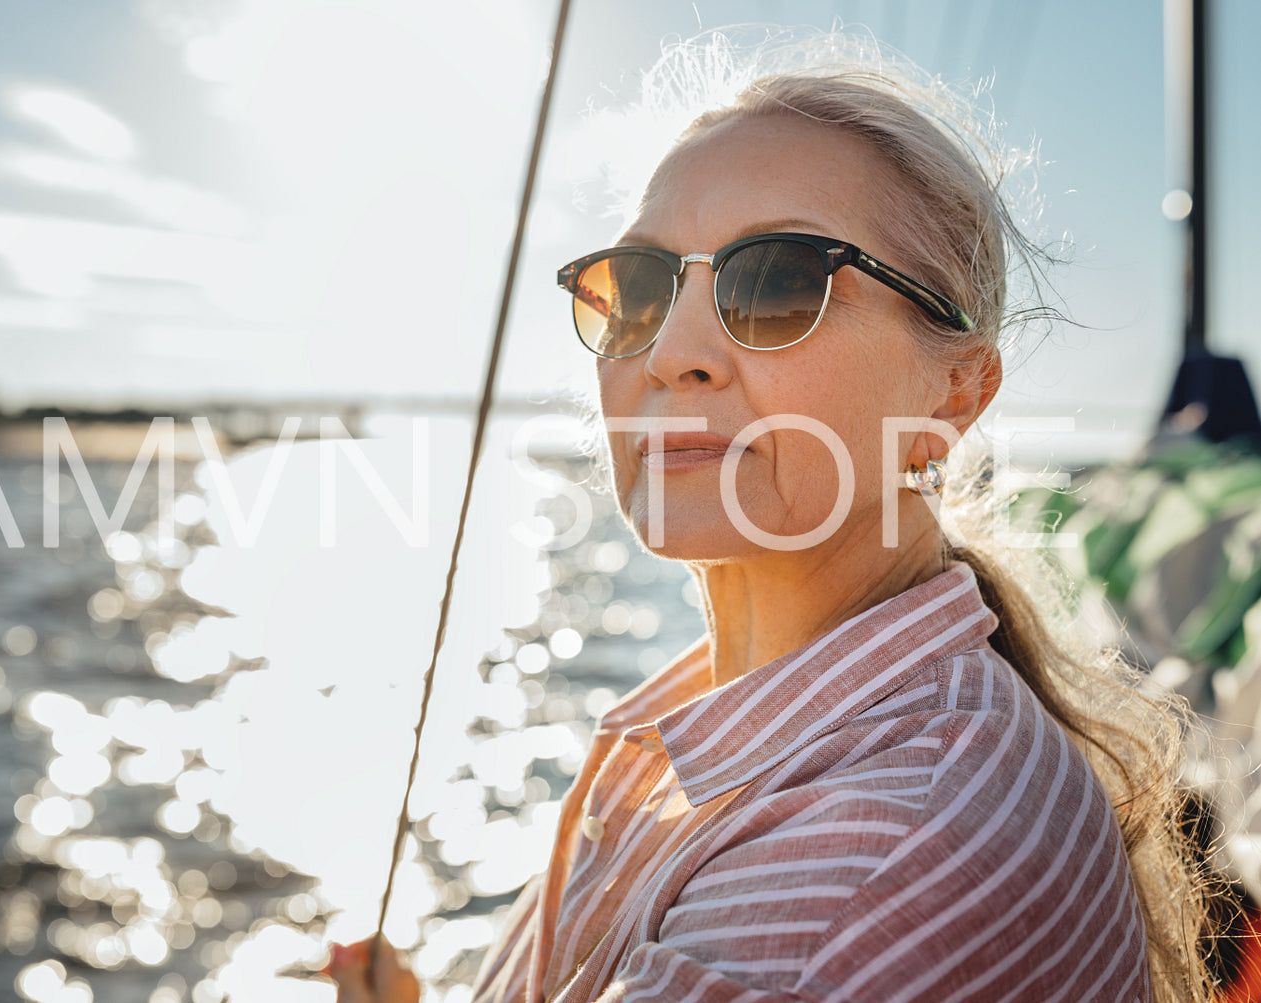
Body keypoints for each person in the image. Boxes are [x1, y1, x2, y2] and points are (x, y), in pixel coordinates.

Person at [328, 29, 1214, 1003]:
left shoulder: (892, 835)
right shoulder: (706, 719)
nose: (669, 352)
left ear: (954, 392)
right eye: (635, 288)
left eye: (779, 279)